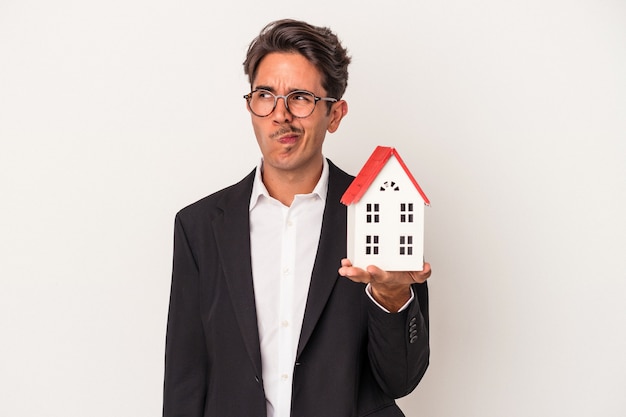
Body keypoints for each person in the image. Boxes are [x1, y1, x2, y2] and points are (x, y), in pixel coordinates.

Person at [163, 18, 432, 417]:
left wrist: (391, 298)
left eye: (301, 97)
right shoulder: (199, 227)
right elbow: (186, 377)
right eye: (265, 95)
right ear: (250, 106)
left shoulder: (380, 211)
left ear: (335, 114)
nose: (280, 115)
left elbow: (400, 381)